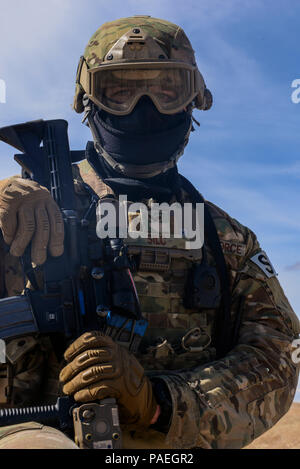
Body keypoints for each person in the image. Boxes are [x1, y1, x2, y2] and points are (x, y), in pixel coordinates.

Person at [0, 15, 299, 450]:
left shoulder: (226, 239)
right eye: (119, 91)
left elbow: (278, 360)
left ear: (193, 100)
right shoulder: (31, 208)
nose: (145, 107)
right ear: (89, 100)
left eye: (167, 91)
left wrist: (159, 402)